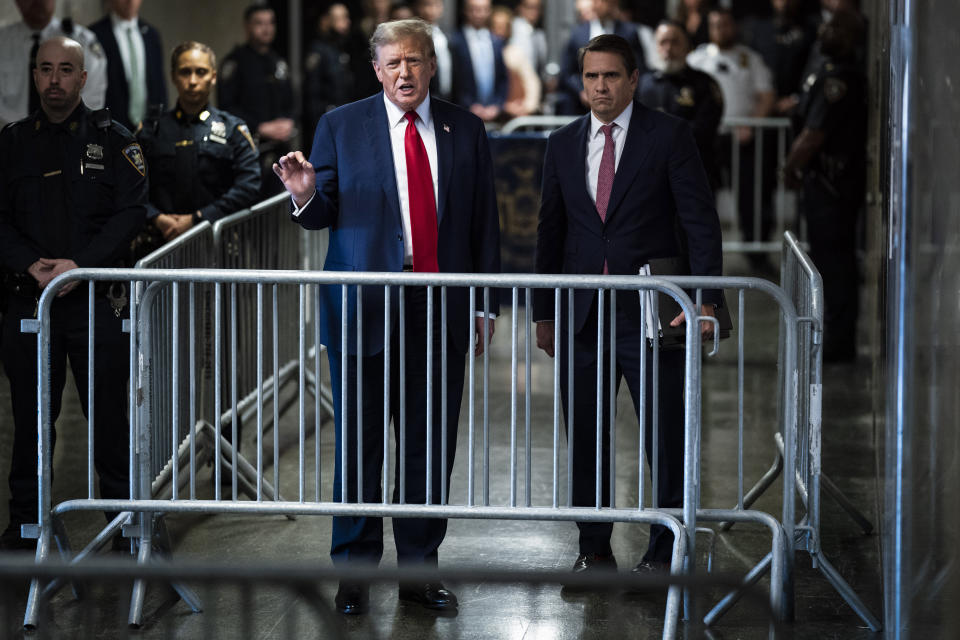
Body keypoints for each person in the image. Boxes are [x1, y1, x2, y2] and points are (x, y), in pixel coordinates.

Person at [273, 18, 500, 614]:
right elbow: (321, 211)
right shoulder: (340, 125)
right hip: (362, 313)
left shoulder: (466, 129)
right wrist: (302, 193)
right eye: (393, 63)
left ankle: (419, 573)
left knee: (428, 448)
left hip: (439, 310)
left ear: (431, 65)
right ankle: (353, 577)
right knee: (357, 448)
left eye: (416, 60)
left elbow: (483, 225)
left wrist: (483, 303)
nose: (406, 72)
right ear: (376, 70)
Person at [533, 34, 721, 581]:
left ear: (634, 79)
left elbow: (699, 221)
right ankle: (593, 550)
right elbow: (551, 231)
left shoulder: (671, 136)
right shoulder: (563, 143)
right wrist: (544, 311)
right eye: (591, 77)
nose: (600, 87)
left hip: (653, 315)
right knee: (587, 438)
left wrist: (707, 299)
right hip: (583, 317)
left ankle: (665, 553)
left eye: (611, 76)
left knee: (665, 438)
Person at [0, 36, 147, 550]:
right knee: (31, 424)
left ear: (83, 78)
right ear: (34, 75)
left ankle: (125, 525)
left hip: (94, 303)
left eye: (66, 70)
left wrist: (80, 267)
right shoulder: (12, 141)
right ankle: (25, 528)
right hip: (29, 301)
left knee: (109, 421)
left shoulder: (113, 140)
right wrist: (27, 264)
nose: (55, 80)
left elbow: (131, 212)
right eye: (45, 69)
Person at [782, 8, 865, 362]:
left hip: (833, 185)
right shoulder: (825, 70)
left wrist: (789, 166)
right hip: (824, 183)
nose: (827, 31)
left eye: (836, 27)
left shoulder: (840, 79)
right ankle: (835, 333)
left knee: (835, 263)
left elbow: (813, 134)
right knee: (831, 260)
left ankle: (839, 340)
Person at [132, 41, 260, 260]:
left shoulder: (233, 129)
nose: (192, 81)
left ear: (213, 76)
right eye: (185, 72)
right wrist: (157, 217)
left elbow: (249, 184)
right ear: (173, 77)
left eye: (200, 72)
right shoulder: (151, 130)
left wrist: (197, 219)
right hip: (161, 244)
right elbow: (131, 184)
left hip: (217, 245)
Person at [687, 7, 775, 268]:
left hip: (742, 138)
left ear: (733, 27)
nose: (721, 30)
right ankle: (702, 255)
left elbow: (766, 95)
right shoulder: (697, 58)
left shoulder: (750, 58)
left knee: (752, 196)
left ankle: (757, 256)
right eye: (715, 25)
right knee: (702, 196)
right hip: (706, 139)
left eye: (725, 24)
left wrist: (752, 123)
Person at [218, 4, 296, 197]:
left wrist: (289, 121)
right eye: (259, 23)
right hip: (248, 152)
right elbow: (226, 108)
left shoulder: (278, 62)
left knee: (276, 212)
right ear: (247, 27)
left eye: (270, 23)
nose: (266, 28)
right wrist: (259, 127)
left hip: (280, 152)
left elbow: (292, 101)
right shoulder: (234, 63)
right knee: (250, 211)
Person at [639, 20, 724, 188]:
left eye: (675, 41)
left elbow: (705, 127)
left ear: (688, 46)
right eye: (663, 42)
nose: (668, 48)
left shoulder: (704, 84)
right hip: (651, 176)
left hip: (694, 173)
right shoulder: (641, 84)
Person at [0, 0, 108, 127]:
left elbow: (92, 97)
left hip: (69, 136)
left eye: (65, 70)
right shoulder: (3, 41)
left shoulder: (82, 40)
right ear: (17, 2)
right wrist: (23, 131)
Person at [557, 0, 646, 115]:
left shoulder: (629, 32)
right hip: (583, 106)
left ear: (613, 3)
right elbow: (567, 72)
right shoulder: (578, 33)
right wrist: (581, 91)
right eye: (594, 1)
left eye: (601, 1)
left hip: (620, 103)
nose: (596, 4)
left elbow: (639, 69)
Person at [89, 0, 166, 132]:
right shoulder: (94, 35)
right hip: (111, 127)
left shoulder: (151, 34)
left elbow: (160, 85)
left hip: (148, 127)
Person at [740, 0, 817, 116]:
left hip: (795, 108)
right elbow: (746, 65)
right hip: (762, 104)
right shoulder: (757, 29)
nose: (784, 2)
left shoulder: (810, 30)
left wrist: (798, 98)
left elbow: (815, 67)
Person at [304, 3, 365, 135]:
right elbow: (312, 95)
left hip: (346, 120)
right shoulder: (318, 51)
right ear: (326, 21)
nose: (346, 22)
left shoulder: (344, 49)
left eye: (346, 18)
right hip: (328, 123)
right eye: (340, 19)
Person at [449, 0, 508, 122]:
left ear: (489, 11)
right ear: (465, 10)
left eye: (484, 9)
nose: (479, 14)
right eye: (474, 9)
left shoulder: (497, 42)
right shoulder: (455, 41)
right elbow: (454, 79)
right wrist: (469, 105)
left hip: (493, 113)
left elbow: (503, 78)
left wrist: (497, 105)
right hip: (464, 112)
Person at [490, 5, 541, 118]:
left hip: (513, 114)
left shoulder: (515, 53)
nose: (499, 31)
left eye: (503, 27)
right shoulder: (483, 53)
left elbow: (532, 82)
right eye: (496, 26)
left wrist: (527, 107)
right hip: (489, 112)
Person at [412, 0, 455, 102]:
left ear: (442, 8)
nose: (432, 10)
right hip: (425, 97)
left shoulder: (445, 35)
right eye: (427, 5)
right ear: (418, 7)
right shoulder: (414, 37)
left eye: (436, 5)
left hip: (446, 97)